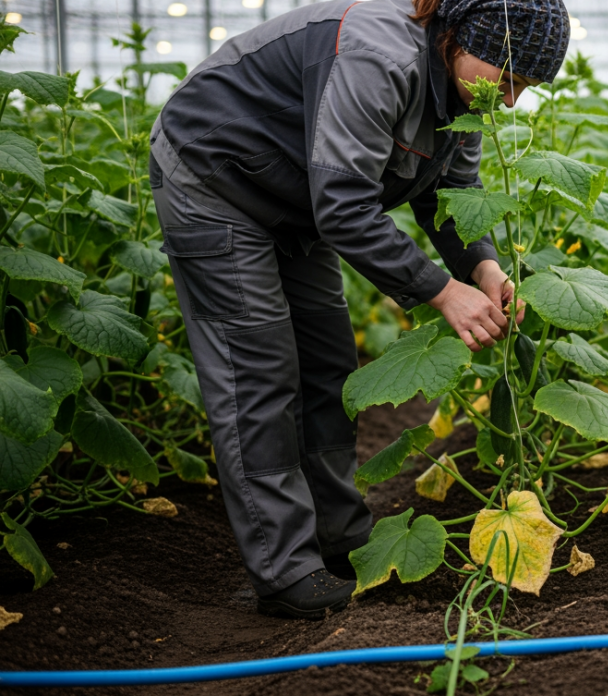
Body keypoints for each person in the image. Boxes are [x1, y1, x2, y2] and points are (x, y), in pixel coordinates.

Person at [148, 0, 569, 619]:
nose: (509, 101)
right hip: (216, 181)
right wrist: (439, 290)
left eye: (525, 89)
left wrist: (483, 267)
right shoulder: (379, 54)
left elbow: (455, 194)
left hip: (293, 199)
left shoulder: (464, 89)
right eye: (506, 79)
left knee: (328, 363)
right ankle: (285, 569)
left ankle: (341, 536)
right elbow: (344, 205)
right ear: (456, 37)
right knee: (258, 372)